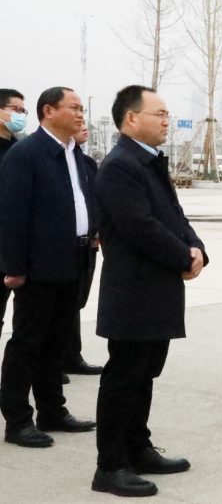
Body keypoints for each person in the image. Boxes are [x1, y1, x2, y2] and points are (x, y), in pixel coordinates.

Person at [91, 86, 207, 497]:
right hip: (134, 291)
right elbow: (140, 226)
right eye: (159, 114)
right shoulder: (120, 165)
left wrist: (198, 250)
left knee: (144, 376)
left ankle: (137, 448)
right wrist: (183, 256)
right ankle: (110, 466)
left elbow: (174, 216)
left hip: (157, 289)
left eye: (167, 114)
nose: (166, 121)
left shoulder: (149, 161)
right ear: (131, 118)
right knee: (124, 377)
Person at [0, 87, 97, 449]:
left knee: (57, 342)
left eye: (82, 108)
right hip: (38, 265)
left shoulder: (74, 153)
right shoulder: (26, 154)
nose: (80, 114)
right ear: (49, 111)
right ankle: (17, 420)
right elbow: (12, 214)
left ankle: (52, 411)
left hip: (73, 259)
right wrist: (14, 266)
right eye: (74, 107)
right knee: (28, 342)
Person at [64, 123, 104, 377]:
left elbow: (96, 200)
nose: (84, 128)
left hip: (87, 244)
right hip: (62, 246)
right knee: (56, 307)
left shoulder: (86, 163)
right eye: (78, 124)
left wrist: (97, 230)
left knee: (75, 302)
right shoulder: (54, 161)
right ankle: (51, 361)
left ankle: (71, 356)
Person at [0, 88, 27, 339]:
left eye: (23, 111)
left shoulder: (20, 151)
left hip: (15, 248)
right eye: (14, 110)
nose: (20, 115)